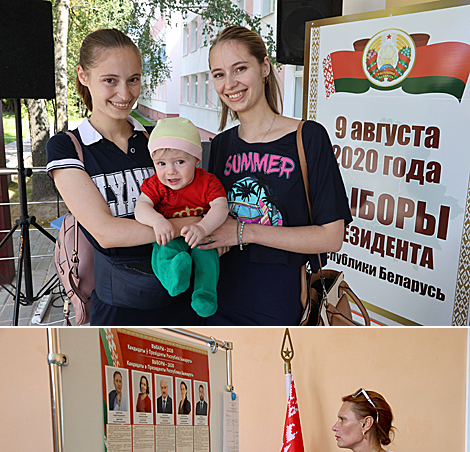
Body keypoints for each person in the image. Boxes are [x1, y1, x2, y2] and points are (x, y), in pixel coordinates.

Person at [46, 29, 199, 325]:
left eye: (133, 79)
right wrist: (195, 226)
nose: (125, 94)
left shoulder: (155, 141)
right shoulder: (68, 146)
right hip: (119, 303)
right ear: (83, 76)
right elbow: (106, 232)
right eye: (110, 81)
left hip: (178, 293)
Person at [203, 25, 350, 326]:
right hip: (216, 299)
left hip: (278, 304)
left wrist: (245, 231)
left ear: (265, 67)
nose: (230, 83)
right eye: (219, 74)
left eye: (239, 68)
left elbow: (332, 236)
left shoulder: (307, 137)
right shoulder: (220, 145)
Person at [134, 117, 228, 318]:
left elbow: (221, 207)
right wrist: (157, 220)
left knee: (208, 256)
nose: (171, 171)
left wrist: (203, 227)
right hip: (171, 236)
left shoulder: (208, 182)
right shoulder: (156, 184)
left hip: (200, 236)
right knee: (163, 251)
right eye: (161, 163)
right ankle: (174, 277)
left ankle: (205, 294)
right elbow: (140, 207)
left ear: (196, 159)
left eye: (180, 162)